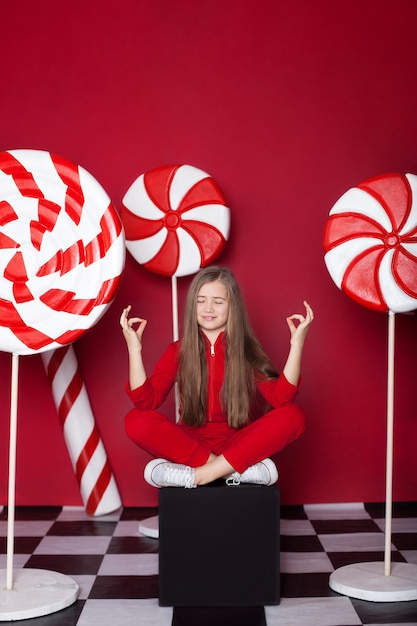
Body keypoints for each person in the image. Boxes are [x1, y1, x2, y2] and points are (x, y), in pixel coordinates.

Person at [120, 266, 313, 489]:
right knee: (135, 420)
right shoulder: (177, 351)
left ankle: (197, 475)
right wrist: (134, 350)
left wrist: (296, 344)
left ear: (233, 307)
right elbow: (146, 402)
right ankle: (231, 471)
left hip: (236, 442)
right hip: (191, 443)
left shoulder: (246, 350)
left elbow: (281, 398)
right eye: (201, 301)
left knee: (293, 416)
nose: (208, 308)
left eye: (218, 301)